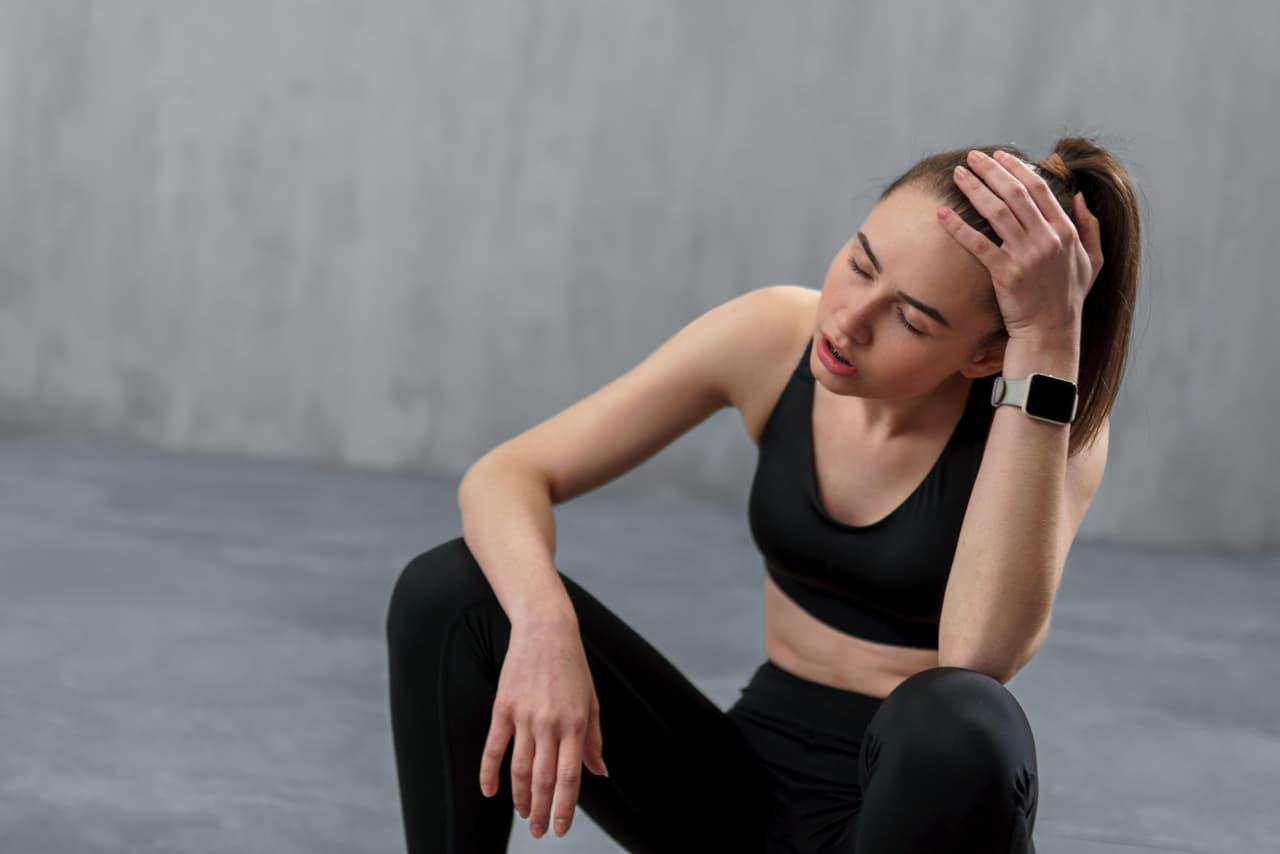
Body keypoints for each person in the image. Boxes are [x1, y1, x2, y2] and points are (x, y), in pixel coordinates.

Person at [385, 136, 1141, 852]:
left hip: (910, 818)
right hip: (737, 795)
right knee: (451, 594)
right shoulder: (774, 333)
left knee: (959, 716)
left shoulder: (1045, 422)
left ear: (985, 356)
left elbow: (979, 656)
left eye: (909, 318)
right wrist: (543, 631)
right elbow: (507, 474)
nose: (849, 319)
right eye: (860, 262)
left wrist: (1046, 345)